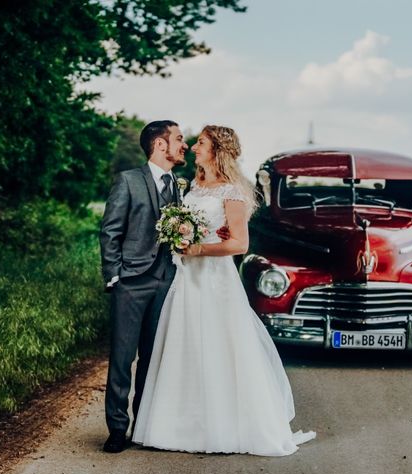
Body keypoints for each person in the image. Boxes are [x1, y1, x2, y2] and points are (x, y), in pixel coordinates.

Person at [132, 125, 315, 456]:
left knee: (218, 348)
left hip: (214, 279)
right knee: (185, 347)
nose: (193, 146)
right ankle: (178, 426)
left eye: (200, 143)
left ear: (216, 149)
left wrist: (199, 249)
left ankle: (224, 427)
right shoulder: (194, 186)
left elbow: (239, 244)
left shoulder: (231, 191)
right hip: (186, 278)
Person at [99, 120, 188, 453]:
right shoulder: (128, 181)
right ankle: (117, 429)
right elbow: (110, 231)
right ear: (160, 145)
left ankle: (144, 425)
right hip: (131, 282)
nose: (184, 144)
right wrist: (114, 275)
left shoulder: (179, 186)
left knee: (153, 359)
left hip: (166, 280)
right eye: (179, 139)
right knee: (122, 359)